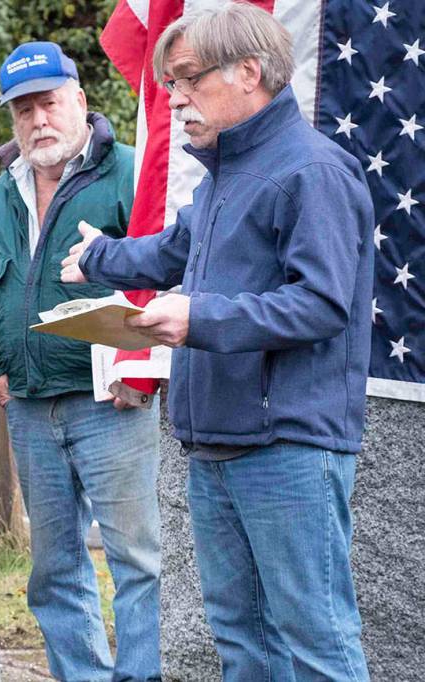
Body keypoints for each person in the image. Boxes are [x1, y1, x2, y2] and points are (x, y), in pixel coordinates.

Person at [62, 4, 372, 680]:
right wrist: (98, 260)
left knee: (317, 642)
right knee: (240, 639)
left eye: (187, 81)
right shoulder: (223, 177)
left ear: (249, 73)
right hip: (216, 445)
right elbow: (171, 251)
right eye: (170, 84)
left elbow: (322, 304)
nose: (173, 100)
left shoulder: (313, 172)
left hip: (288, 447)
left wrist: (197, 319)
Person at [0, 41, 162, 681]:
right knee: (55, 569)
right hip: (29, 409)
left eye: (49, 102)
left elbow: (166, 273)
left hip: (113, 405)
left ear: (79, 99)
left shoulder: (131, 174)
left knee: (138, 561)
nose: (38, 120)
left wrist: (141, 368)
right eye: (24, 109)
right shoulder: (1, 197)